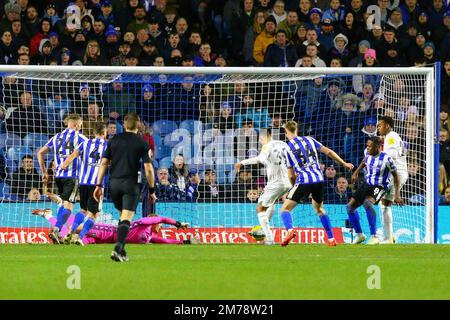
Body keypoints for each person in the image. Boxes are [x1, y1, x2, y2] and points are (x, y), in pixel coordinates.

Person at [93, 113, 156, 262]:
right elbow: (148, 169)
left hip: (113, 185)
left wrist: (98, 185)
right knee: (126, 219)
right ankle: (117, 249)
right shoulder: (142, 143)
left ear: (125, 125)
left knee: (123, 218)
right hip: (130, 185)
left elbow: (103, 163)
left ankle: (122, 250)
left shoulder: (113, 140)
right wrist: (152, 190)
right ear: (138, 125)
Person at [280, 120, 354, 246]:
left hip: (304, 180)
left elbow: (291, 175)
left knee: (285, 209)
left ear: (285, 131)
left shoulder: (287, 148)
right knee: (319, 209)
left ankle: (290, 231)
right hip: (319, 179)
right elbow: (329, 152)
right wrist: (344, 163)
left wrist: (295, 187)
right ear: (296, 129)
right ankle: (331, 239)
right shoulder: (310, 139)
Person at [235, 128, 292, 245]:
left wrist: (242, 162)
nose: (260, 142)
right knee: (270, 203)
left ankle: (269, 239)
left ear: (263, 137)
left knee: (260, 208)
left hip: (276, 182)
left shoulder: (266, 146)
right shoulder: (283, 144)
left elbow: (260, 159)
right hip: (287, 181)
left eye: (260, 139)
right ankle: (262, 230)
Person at [37, 114, 87, 244]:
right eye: (80, 125)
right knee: (68, 208)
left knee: (64, 204)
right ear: (76, 125)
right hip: (72, 176)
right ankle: (57, 228)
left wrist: (44, 172)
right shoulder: (81, 138)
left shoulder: (56, 137)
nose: (80, 128)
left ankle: (58, 231)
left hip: (58, 176)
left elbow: (40, 152)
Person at [59, 122, 108, 245]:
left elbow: (73, 156)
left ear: (94, 133)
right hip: (97, 185)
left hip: (83, 182)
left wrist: (64, 165)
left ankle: (71, 230)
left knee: (82, 210)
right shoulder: (108, 145)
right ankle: (80, 237)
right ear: (104, 133)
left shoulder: (84, 143)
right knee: (93, 214)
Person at [33, 209, 199, 245]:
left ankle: (63, 241)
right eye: (158, 224)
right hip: (109, 231)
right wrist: (178, 224)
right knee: (71, 229)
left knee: (84, 241)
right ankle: (47, 215)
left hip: (110, 240)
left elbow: (165, 241)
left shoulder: (150, 236)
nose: (160, 226)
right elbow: (161, 217)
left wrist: (185, 242)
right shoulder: (143, 223)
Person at [349, 136, 403, 245]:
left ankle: (374, 236)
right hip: (367, 184)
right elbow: (364, 162)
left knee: (367, 204)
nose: (367, 148)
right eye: (367, 146)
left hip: (380, 186)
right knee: (349, 207)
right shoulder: (368, 155)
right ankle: (360, 235)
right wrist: (355, 172)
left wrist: (397, 194)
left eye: (370, 146)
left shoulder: (387, 159)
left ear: (378, 147)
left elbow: (396, 177)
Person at [376, 116, 409, 244]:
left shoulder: (391, 136)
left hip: (396, 173)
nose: (378, 128)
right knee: (384, 204)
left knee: (384, 204)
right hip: (396, 173)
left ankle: (388, 237)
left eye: (380, 125)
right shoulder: (392, 137)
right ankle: (390, 236)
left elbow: (391, 156)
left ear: (388, 126)